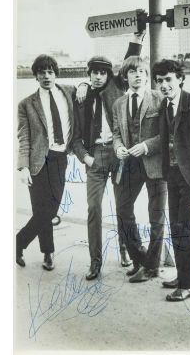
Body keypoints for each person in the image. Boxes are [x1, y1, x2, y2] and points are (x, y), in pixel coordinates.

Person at [72, 32, 145, 280]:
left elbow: (129, 60)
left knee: (123, 206)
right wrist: (85, 157)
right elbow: (74, 138)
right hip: (95, 157)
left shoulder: (116, 86)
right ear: (89, 73)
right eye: (94, 72)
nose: (98, 76)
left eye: (103, 72)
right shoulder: (80, 98)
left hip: (118, 154)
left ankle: (125, 250)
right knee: (94, 209)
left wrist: (137, 38)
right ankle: (95, 262)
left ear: (109, 75)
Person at [16, 54, 76, 271]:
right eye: (42, 72)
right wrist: (22, 166)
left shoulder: (69, 92)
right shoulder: (26, 104)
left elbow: (94, 87)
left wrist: (87, 84)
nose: (46, 76)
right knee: (41, 208)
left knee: (49, 209)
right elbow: (23, 137)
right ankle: (48, 253)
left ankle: (17, 243)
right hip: (37, 162)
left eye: (50, 71)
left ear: (56, 74)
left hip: (60, 158)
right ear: (36, 76)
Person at [152, 59, 190, 301]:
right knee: (176, 229)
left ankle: (189, 284)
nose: (164, 85)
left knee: (188, 232)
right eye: (160, 81)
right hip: (173, 177)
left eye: (168, 80)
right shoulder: (164, 106)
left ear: (180, 79)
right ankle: (183, 275)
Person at [112, 56, 167, 283]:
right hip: (129, 165)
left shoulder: (159, 98)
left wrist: (145, 146)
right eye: (132, 72)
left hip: (155, 164)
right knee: (123, 210)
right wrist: (118, 148)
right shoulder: (119, 104)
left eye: (141, 72)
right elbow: (116, 133)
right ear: (125, 77)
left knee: (156, 216)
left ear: (147, 75)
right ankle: (140, 258)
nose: (137, 76)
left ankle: (151, 267)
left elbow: (168, 134)